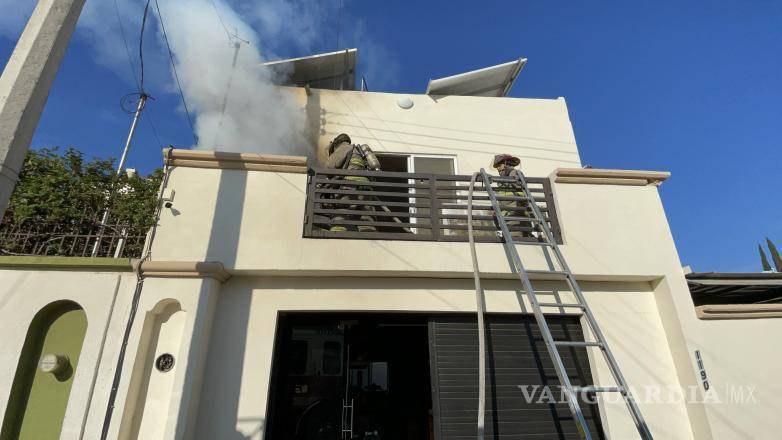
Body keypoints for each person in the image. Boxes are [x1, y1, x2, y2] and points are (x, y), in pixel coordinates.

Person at [324, 133, 381, 232]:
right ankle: (369, 240)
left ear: (337, 143)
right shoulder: (358, 151)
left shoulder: (343, 147)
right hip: (366, 189)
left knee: (341, 214)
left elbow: (329, 167)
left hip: (349, 187)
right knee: (366, 218)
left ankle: (337, 240)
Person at [491, 154, 535, 238]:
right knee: (510, 237)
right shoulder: (502, 178)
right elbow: (503, 198)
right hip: (507, 216)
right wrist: (497, 208)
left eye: (499, 165)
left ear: (506, 163)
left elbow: (519, 189)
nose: (498, 168)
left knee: (517, 238)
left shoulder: (515, 173)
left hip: (516, 214)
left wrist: (509, 180)